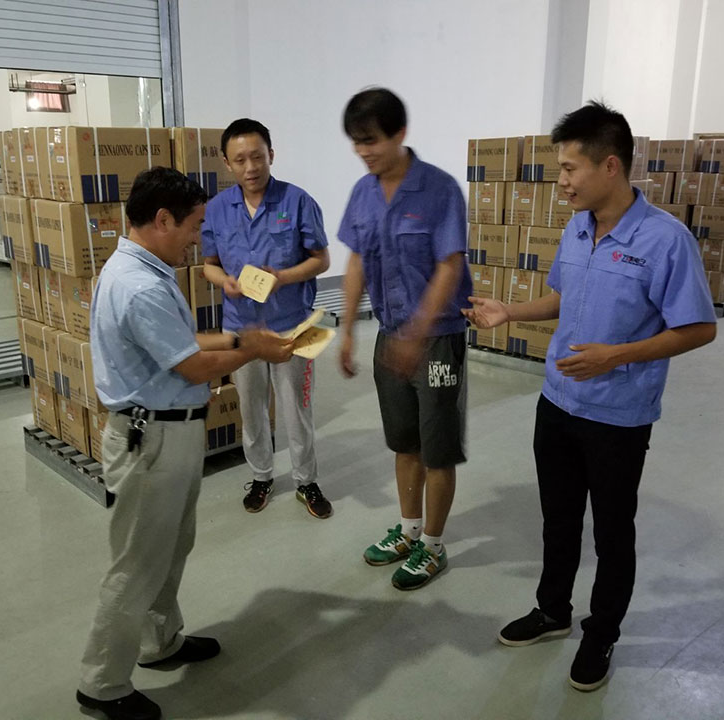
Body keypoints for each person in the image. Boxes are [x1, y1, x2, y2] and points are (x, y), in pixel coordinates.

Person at [465, 101, 716, 692]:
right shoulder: (577, 228)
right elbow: (562, 295)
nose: (562, 181)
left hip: (617, 417)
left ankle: (601, 633)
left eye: (570, 168)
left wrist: (616, 355)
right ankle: (553, 610)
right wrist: (509, 312)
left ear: (610, 166)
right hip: (556, 404)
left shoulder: (666, 240)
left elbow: (699, 327)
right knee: (557, 520)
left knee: (612, 533)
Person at [76, 167, 294, 720]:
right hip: (152, 442)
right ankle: (101, 683)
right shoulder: (140, 285)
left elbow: (178, 342)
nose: (198, 239)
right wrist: (254, 351)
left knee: (170, 548)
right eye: (194, 226)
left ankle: (159, 642)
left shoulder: (138, 268)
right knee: (136, 564)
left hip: (166, 434)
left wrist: (239, 337)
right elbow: (193, 366)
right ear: (162, 219)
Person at [337, 88, 472, 591]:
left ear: (400, 133)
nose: (363, 152)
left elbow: (449, 266)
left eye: (371, 140)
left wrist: (417, 333)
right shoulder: (363, 193)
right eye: (356, 143)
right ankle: (409, 530)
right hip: (389, 335)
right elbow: (356, 260)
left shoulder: (439, 190)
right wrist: (347, 330)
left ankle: (433, 546)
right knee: (404, 443)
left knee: (437, 449)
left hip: (436, 340)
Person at [201, 118, 333, 519]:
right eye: (240, 160)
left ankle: (306, 480)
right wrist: (224, 281)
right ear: (227, 163)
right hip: (241, 326)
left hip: (292, 325)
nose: (250, 167)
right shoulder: (217, 209)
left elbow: (321, 260)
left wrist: (283, 278)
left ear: (271, 155)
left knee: (297, 407)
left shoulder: (298, 201)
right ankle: (261, 476)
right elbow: (208, 265)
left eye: (257, 157)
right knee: (251, 407)